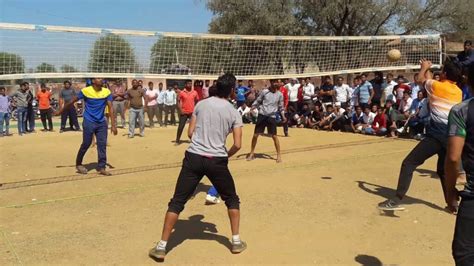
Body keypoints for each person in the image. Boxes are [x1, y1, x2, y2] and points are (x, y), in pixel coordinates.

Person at [148, 73, 246, 261]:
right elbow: (238, 144)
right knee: (232, 199)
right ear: (232, 90)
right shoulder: (233, 111)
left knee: (177, 202)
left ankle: (161, 247)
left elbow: (191, 132)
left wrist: (202, 141)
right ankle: (236, 241)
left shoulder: (201, 104)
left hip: (193, 157)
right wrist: (224, 155)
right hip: (216, 159)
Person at [378, 59, 463, 212]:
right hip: (451, 137)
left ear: (443, 74)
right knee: (443, 171)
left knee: (409, 163)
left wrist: (423, 67)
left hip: (436, 136)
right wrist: (428, 69)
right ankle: (453, 204)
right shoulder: (458, 91)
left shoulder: (436, 86)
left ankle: (396, 199)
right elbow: (428, 81)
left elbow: (420, 80)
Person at [56, 78, 118, 176]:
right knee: (86, 143)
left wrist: (113, 125)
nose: (101, 80)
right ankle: (79, 163)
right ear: (93, 81)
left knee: (102, 145)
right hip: (89, 121)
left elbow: (110, 108)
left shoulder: (106, 92)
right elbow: (71, 101)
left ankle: (101, 167)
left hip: (101, 122)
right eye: (99, 78)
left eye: (102, 79)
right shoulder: (86, 91)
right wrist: (60, 111)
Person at [446, 63, 474, 265]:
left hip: (473, 196)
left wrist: (450, 191)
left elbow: (454, 157)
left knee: (465, 254)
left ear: (468, 81)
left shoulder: (461, 111)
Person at [247, 79, 286, 163]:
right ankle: (252, 153)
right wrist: (253, 107)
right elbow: (258, 101)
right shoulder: (265, 92)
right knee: (255, 135)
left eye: (278, 82)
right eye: (275, 82)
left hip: (271, 116)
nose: (276, 83)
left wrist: (283, 116)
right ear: (271, 83)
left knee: (274, 136)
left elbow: (281, 107)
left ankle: (278, 155)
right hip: (262, 114)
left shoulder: (280, 94)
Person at [176, 80, 199, 145]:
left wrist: (196, 109)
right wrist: (180, 110)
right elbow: (178, 101)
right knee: (181, 126)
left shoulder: (195, 92)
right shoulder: (182, 92)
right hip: (184, 112)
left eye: (191, 83)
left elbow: (197, 100)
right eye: (188, 83)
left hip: (192, 113)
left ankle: (193, 140)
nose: (190, 85)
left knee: (194, 127)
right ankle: (177, 140)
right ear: (185, 84)